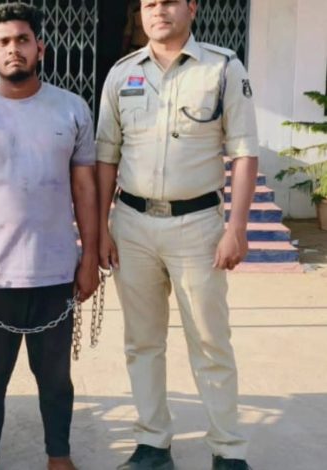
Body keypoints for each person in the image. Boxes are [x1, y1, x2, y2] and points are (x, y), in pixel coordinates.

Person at [95, 1, 258, 469]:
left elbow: (244, 152)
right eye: (149, 3)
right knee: (142, 342)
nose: (158, 11)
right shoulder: (121, 74)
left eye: (169, 2)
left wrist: (237, 228)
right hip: (132, 226)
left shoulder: (223, 68)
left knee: (210, 342)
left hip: (198, 228)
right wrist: (102, 227)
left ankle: (227, 450)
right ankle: (153, 445)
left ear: (192, 7)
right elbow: (106, 156)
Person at [0, 3, 99, 470]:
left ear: (40, 49)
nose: (14, 49)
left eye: (23, 40)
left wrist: (89, 258)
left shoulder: (71, 109)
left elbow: (85, 189)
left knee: (56, 380)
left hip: (55, 271)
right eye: (4, 42)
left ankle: (59, 457)